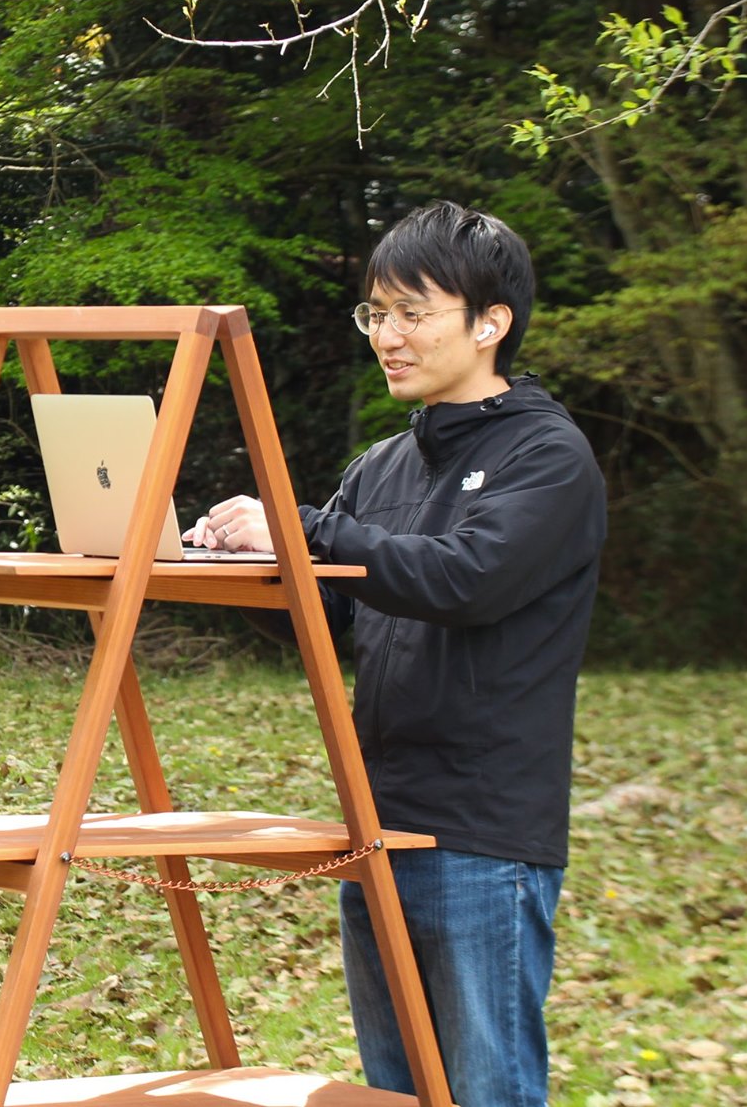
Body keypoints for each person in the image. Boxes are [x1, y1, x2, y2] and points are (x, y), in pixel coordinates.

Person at [185, 200, 607, 1106]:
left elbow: (465, 580)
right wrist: (241, 570)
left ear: (491, 323)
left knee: (483, 1090)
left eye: (416, 313)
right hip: (378, 822)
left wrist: (297, 530)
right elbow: (332, 618)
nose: (390, 336)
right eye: (378, 313)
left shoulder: (549, 455)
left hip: (483, 834)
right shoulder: (383, 464)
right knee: (394, 1092)